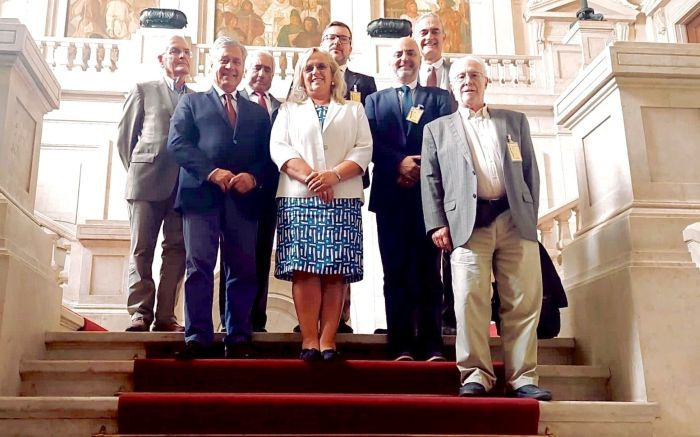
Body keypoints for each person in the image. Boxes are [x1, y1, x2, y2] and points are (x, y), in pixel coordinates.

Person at [420, 55, 552, 400]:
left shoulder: (514, 121)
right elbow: (430, 179)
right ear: (452, 86)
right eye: (461, 77)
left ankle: (523, 377)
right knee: (469, 301)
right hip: (467, 223)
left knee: (522, 300)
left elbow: (530, 172)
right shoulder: (436, 129)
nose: (468, 81)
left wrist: (529, 213)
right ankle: (476, 374)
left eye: (474, 75)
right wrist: (437, 223)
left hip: (513, 219)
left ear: (486, 82)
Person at [167, 36, 272, 359]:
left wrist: (253, 177)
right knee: (199, 266)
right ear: (212, 64)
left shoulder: (258, 113)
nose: (230, 67)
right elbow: (178, 143)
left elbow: (268, 156)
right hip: (201, 197)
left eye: (236, 61)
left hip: (243, 201)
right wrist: (211, 172)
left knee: (242, 268)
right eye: (224, 60)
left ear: (243, 68)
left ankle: (238, 337)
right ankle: (197, 337)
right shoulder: (191, 103)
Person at [270, 48, 372, 361]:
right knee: (304, 270)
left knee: (335, 271)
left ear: (333, 74)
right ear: (301, 76)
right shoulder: (289, 110)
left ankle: (328, 341)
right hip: (299, 198)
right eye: (309, 68)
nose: (315, 72)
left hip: (342, 197)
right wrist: (313, 179)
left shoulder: (353, 109)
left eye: (322, 67)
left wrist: (333, 176)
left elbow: (363, 149)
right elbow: (279, 148)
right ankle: (309, 340)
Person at [365, 37, 452, 361]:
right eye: (399, 54)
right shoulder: (374, 101)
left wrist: (419, 166)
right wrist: (398, 163)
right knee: (395, 272)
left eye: (411, 53)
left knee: (429, 272)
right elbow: (368, 143)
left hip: (429, 197)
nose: (405, 58)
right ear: (390, 61)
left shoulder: (439, 98)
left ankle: (432, 344)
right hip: (390, 197)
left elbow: (447, 138)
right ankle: (400, 344)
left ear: (420, 59)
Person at [117, 36, 191, 333]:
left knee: (177, 250)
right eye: (175, 51)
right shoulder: (143, 90)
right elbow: (125, 139)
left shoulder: (196, 98)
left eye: (186, 52)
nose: (182, 56)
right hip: (146, 181)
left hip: (182, 186)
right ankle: (140, 312)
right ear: (162, 59)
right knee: (142, 248)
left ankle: (165, 316)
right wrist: (140, 168)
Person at [319, 20, 377, 334]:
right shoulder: (308, 75)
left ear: (350, 47)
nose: (336, 43)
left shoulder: (363, 83)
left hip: (349, 178)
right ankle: (311, 318)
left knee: (342, 247)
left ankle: (340, 318)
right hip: (311, 181)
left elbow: (371, 131)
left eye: (343, 38)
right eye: (331, 37)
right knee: (313, 247)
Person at [219, 50, 281, 333]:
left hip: (269, 193)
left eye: (268, 70)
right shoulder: (231, 101)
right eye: (257, 68)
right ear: (246, 70)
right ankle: (229, 321)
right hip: (236, 192)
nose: (261, 74)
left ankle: (257, 321)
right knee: (233, 258)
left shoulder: (282, 108)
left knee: (262, 256)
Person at [413, 12, 458, 336]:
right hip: (416, 177)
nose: (429, 37)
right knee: (419, 251)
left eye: (435, 32)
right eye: (424, 32)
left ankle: (450, 319)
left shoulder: (459, 73)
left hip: (452, 173)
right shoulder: (404, 77)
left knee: (453, 246)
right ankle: (420, 321)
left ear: (445, 36)